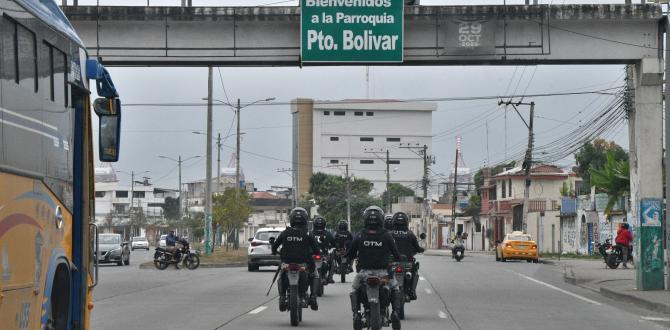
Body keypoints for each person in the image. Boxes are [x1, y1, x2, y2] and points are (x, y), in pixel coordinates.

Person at [348, 206, 402, 328]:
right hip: (384, 276)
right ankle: (395, 313)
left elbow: (350, 254)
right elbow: (396, 254)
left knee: (354, 290)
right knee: (395, 288)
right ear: (381, 219)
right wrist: (398, 260)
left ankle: (356, 314)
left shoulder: (360, 235)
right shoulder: (387, 235)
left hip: (363, 275)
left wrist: (347, 259)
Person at [272, 207, 321, 311]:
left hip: (287, 263)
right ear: (305, 219)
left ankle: (282, 297)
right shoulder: (308, 234)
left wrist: (274, 251)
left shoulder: (285, 233)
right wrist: (317, 254)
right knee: (315, 274)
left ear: (292, 219)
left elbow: (275, 246)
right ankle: (313, 297)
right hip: (304, 263)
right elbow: (316, 250)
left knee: (281, 276)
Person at [391, 211, 425, 300]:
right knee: (414, 271)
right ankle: (412, 291)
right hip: (407, 263)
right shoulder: (410, 234)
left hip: (392, 262)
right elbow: (417, 248)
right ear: (406, 222)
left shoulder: (390, 234)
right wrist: (420, 249)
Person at [311, 216, 336, 283]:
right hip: (324, 254)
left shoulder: (310, 233)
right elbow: (334, 244)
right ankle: (330, 278)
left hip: (312, 254)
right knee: (332, 262)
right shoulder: (328, 233)